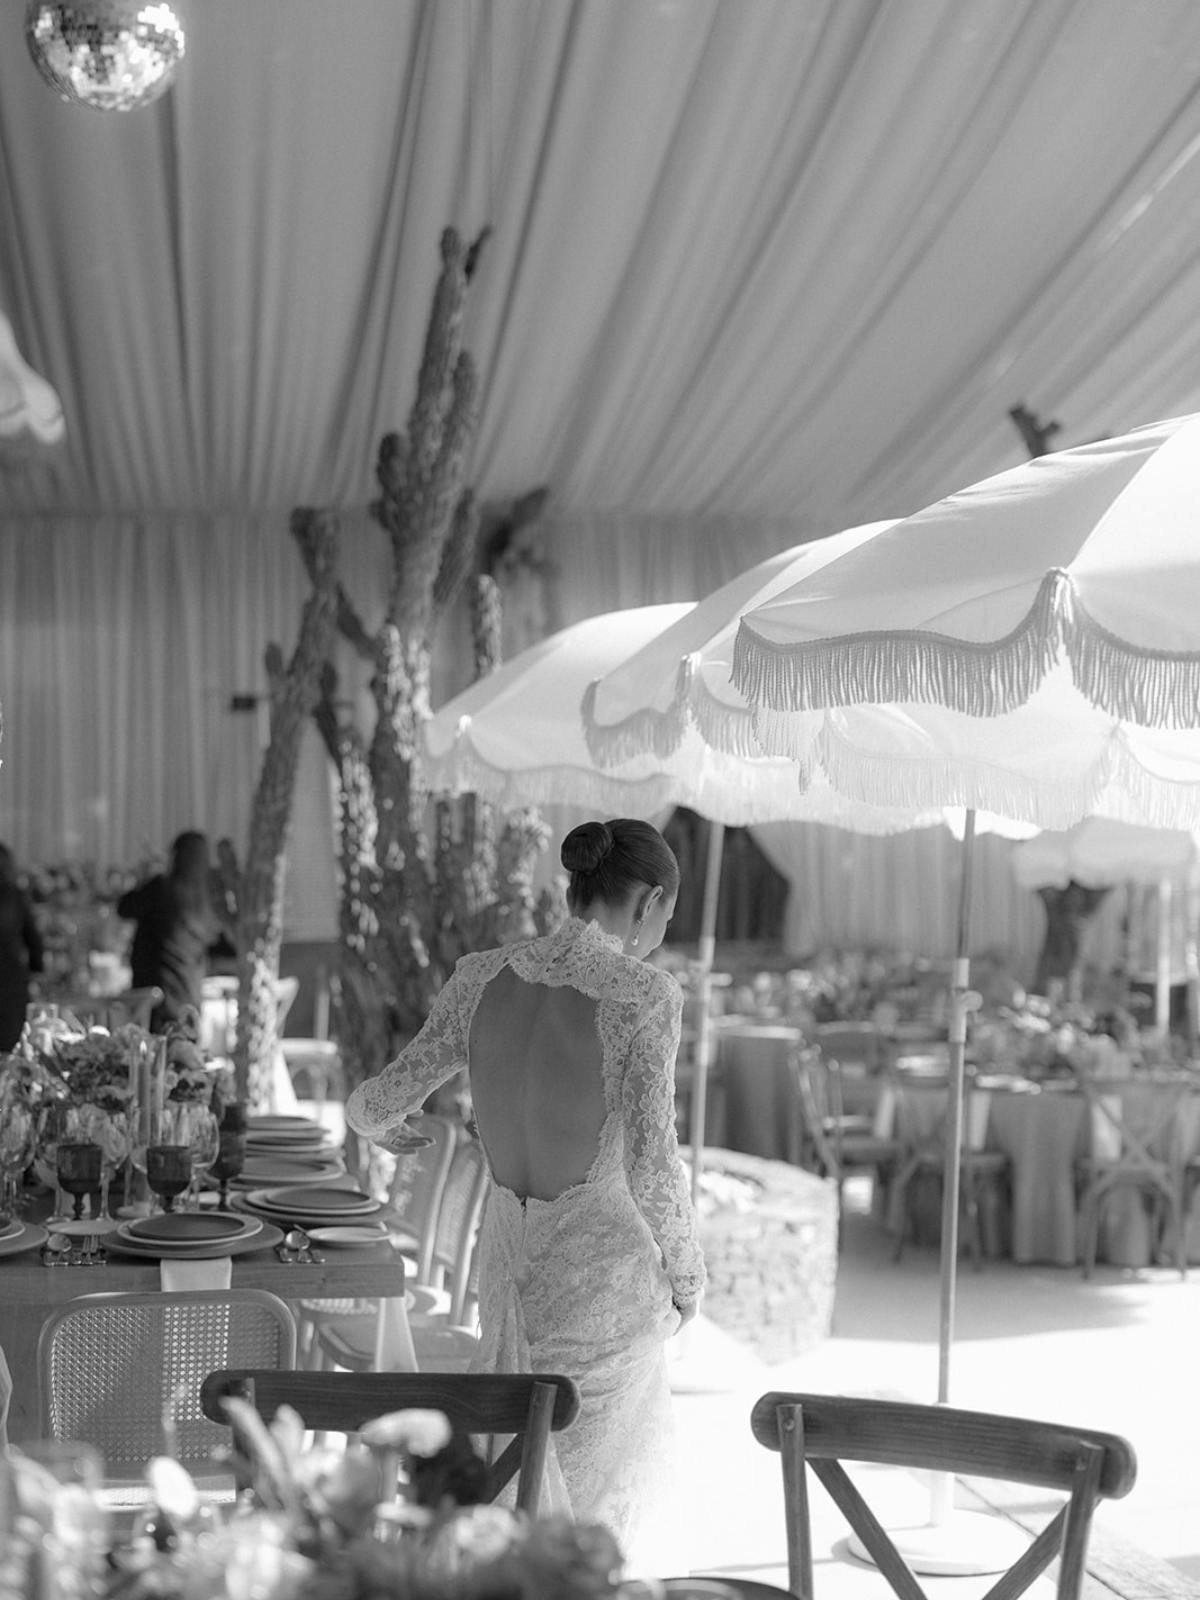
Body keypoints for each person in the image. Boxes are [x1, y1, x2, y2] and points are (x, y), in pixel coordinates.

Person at [346, 818, 705, 1565]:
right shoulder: (645, 997)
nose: (660, 937)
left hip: (508, 1272)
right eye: (667, 919)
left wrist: (385, 1132)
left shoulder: (482, 976)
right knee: (588, 1536)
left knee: (514, 1505)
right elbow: (652, 1166)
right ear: (649, 903)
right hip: (599, 1293)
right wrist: (688, 1277)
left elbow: (372, 1104)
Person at [117, 831, 220, 1032]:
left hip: (157, 996)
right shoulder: (207, 897)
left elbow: (125, 907)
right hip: (190, 992)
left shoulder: (162, 887)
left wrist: (145, 876)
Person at [0, 845, 43, 1051]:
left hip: (11, 978)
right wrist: (37, 970)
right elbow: (33, 938)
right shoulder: (15, 896)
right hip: (10, 980)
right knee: (10, 1044)